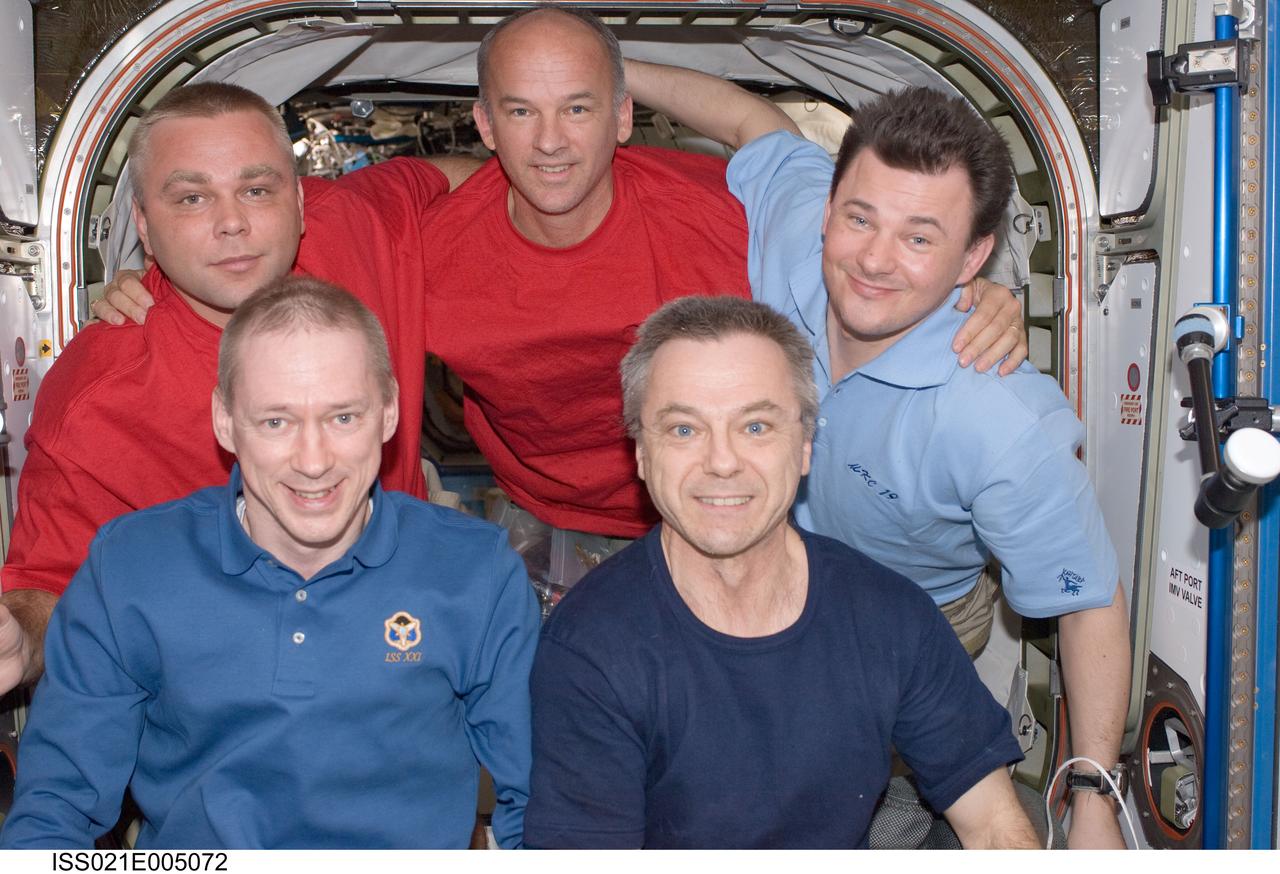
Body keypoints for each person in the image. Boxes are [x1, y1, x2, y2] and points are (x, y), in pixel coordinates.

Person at [91, 7, 1028, 591]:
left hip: (718, 510)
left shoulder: (715, 215)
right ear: (484, 124)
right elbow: (245, 225)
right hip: (532, 513)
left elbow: (873, 250)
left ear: (621, 117)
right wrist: (140, 281)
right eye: (523, 113)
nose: (551, 144)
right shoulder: (423, 241)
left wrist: (971, 297)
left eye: (580, 108)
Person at [624, 66, 1131, 849]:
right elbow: (750, 122)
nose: (874, 260)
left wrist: (1094, 789)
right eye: (860, 219)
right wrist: (609, 63)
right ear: (828, 210)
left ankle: (894, 791)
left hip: (919, 614)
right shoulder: (798, 229)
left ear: (974, 258)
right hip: (760, 562)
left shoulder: (998, 417)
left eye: (921, 237)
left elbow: (1087, 598)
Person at [0, 277, 539, 849]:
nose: (313, 462)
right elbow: (54, 813)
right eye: (276, 421)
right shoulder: (130, 568)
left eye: (343, 418)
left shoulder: (475, 572)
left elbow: (540, 806)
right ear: (225, 421)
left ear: (389, 414)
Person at [0, 82, 474, 696]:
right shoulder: (100, 393)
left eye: (256, 190)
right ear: (144, 225)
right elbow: (51, 583)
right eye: (192, 199)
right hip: (234, 719)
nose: (232, 224)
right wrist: (20, 641)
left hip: (416, 662)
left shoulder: (352, 226)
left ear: (301, 203)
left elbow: (485, 178)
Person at [523, 296, 1038, 849]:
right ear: (641, 455)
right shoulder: (591, 648)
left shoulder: (890, 617)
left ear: (806, 447)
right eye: (683, 430)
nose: (722, 462)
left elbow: (992, 827)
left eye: (756, 426)